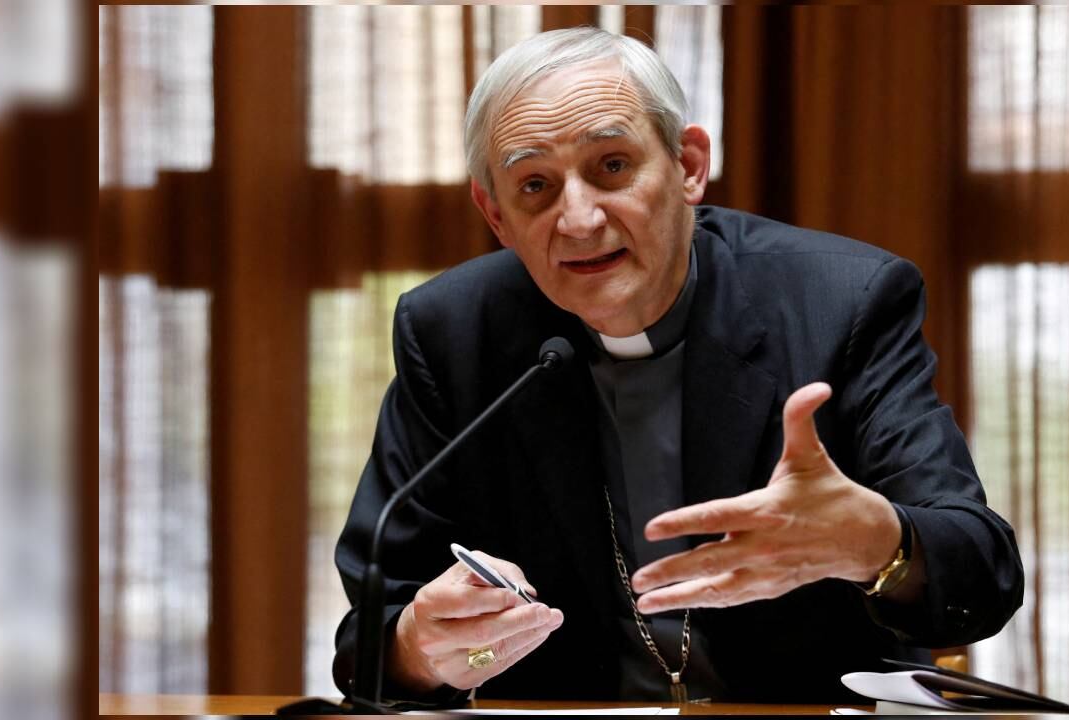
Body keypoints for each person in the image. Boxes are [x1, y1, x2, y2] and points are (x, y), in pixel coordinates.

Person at [332, 27, 1023, 705]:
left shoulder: (841, 304)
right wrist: (421, 650)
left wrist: (873, 543)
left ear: (689, 166)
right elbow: (370, 633)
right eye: (535, 185)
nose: (577, 219)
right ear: (496, 215)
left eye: (612, 166)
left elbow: (982, 576)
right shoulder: (454, 334)